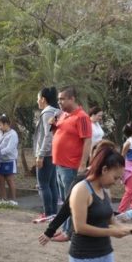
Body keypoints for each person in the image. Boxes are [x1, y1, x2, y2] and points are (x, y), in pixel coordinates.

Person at [51, 87, 93, 237]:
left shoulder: (81, 117)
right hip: (59, 164)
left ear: (72, 99)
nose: (59, 102)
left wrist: (82, 164)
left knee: (70, 201)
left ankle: (68, 232)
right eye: (58, 99)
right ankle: (64, 229)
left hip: (71, 166)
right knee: (63, 200)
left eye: (62, 99)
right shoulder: (62, 115)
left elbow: (87, 140)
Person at [33, 87, 61, 221]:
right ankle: (53, 213)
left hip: (46, 153)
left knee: (43, 184)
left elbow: (47, 136)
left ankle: (48, 213)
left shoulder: (47, 113)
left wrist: (40, 155)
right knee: (51, 184)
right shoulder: (57, 111)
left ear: (43, 99)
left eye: (37, 98)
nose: (37, 101)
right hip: (54, 153)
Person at [0, 115, 19, 204]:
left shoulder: (13, 134)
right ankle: (3, 199)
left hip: (9, 160)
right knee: (0, 179)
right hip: (0, 160)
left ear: (6, 124)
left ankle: (13, 200)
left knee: (9, 179)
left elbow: (10, 148)